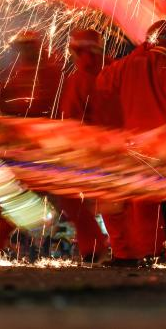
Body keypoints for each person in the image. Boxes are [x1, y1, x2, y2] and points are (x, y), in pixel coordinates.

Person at [98, 20, 166, 267]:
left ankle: (145, 251)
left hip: (135, 145)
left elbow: (102, 87)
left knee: (141, 203)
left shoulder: (124, 66)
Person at [0, 30, 65, 257]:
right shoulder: (18, 72)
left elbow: (39, 106)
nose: (22, 51)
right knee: (9, 197)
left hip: (36, 149)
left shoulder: (47, 71)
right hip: (18, 148)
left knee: (18, 198)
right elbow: (2, 102)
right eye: (20, 47)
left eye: (25, 47)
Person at [54, 28, 112, 263]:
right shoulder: (116, 69)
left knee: (71, 198)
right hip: (118, 147)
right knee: (117, 205)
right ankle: (132, 251)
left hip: (89, 151)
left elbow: (71, 118)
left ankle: (96, 247)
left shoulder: (78, 79)